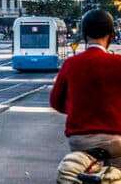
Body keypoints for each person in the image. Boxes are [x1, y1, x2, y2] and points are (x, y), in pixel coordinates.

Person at [49, 9, 121, 160]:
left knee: (78, 174)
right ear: (111, 35)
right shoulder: (118, 63)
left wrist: (76, 110)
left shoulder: (71, 64)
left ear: (84, 34)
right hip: (114, 138)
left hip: (80, 140)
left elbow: (55, 101)